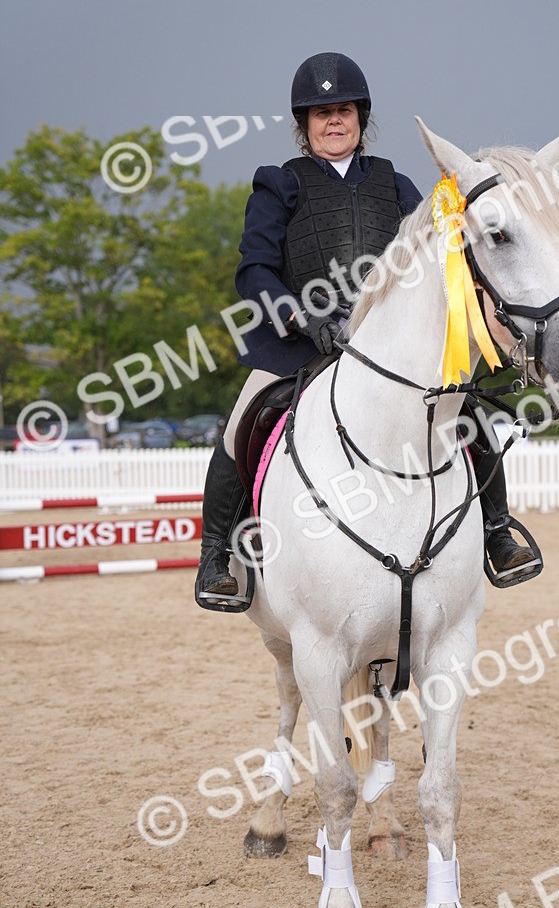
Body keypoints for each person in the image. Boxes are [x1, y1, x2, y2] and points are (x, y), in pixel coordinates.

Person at [195, 52, 540, 611]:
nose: (335, 121)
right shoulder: (279, 184)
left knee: (465, 409)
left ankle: (496, 532)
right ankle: (215, 557)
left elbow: (436, 257)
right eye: (322, 112)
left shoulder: (396, 185)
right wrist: (300, 317)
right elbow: (253, 269)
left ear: (362, 117)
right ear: (304, 125)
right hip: (298, 344)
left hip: (387, 345)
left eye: (345, 110)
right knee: (242, 420)